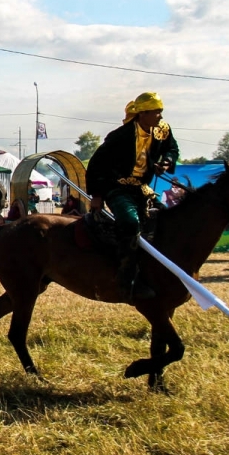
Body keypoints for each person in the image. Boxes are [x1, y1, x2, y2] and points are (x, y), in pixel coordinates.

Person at [85, 91, 179, 301]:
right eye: (156, 112)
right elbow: (96, 165)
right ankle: (126, 279)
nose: (160, 116)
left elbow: (172, 149)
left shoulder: (162, 130)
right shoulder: (120, 136)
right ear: (142, 114)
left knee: (166, 219)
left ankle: (158, 271)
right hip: (118, 187)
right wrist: (97, 195)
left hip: (143, 187)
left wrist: (166, 161)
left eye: (161, 111)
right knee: (129, 222)